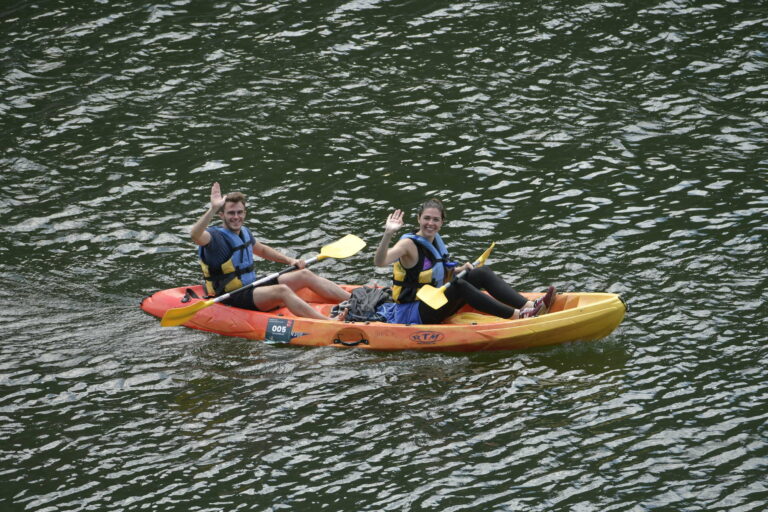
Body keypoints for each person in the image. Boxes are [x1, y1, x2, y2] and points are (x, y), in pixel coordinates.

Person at [373, 198, 556, 325]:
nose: (430, 223)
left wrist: (461, 268)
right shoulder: (408, 244)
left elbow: (438, 275)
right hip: (412, 312)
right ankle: (519, 317)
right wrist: (388, 234)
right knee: (459, 285)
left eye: (436, 220)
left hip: (433, 302)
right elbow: (380, 262)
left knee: (479, 273)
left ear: (442, 222)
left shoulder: (435, 241)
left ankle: (530, 306)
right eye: (426, 218)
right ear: (418, 219)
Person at [191, 182, 350, 320]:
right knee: (282, 290)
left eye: (239, 212)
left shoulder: (244, 232)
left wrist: (290, 261)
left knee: (304, 274)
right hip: (232, 296)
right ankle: (327, 322)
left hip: (251, 286)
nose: (236, 217)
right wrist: (212, 208)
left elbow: (263, 250)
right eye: (231, 213)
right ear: (221, 215)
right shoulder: (214, 238)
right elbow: (195, 235)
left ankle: (356, 301)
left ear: (245, 213)